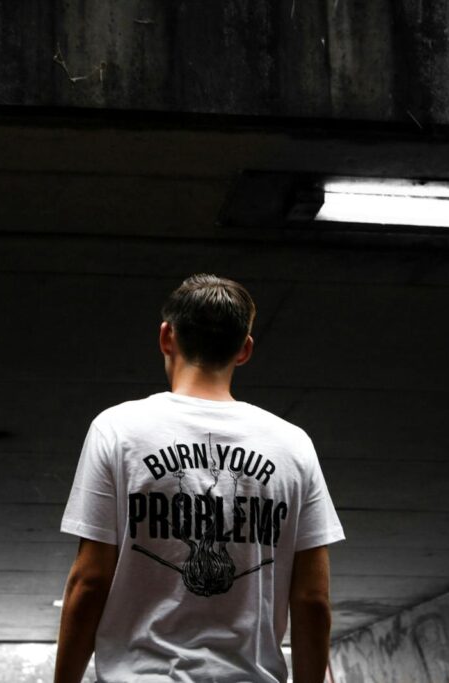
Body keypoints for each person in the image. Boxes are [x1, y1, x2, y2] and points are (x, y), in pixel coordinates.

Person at [55, 274, 344, 683]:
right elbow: (312, 599)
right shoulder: (293, 445)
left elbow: (90, 582)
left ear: (166, 337)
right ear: (244, 349)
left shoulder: (117, 430)